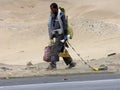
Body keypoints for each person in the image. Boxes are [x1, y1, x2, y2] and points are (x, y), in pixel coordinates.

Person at [47, 2, 76, 70]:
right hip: (56, 35)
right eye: (51, 9)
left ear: (56, 8)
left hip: (61, 35)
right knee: (61, 50)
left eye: (52, 9)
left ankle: (53, 65)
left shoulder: (61, 15)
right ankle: (71, 63)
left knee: (55, 50)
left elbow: (65, 26)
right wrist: (52, 35)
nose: (51, 10)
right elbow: (52, 25)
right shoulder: (52, 15)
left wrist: (65, 36)